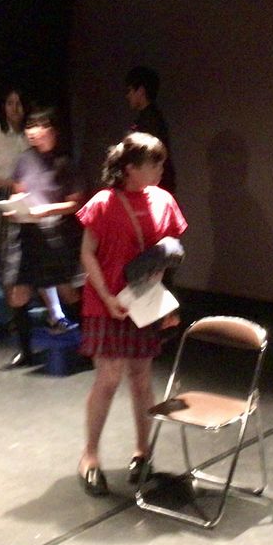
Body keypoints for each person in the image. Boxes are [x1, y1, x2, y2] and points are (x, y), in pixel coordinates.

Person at [75, 133, 187, 496]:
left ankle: (143, 452)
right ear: (129, 168)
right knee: (108, 377)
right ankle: (90, 456)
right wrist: (107, 296)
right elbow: (87, 252)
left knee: (140, 375)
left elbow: (168, 251)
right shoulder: (103, 203)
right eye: (154, 163)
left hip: (142, 301)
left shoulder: (163, 200)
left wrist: (161, 295)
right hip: (106, 301)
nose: (160, 169)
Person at [0, 89, 73, 337]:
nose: (15, 109)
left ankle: (60, 319)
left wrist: (43, 208)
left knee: (61, 285)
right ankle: (23, 332)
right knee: (14, 281)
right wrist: (12, 199)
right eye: (10, 103)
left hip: (48, 224)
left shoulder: (58, 157)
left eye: (19, 103)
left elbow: (74, 201)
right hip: (16, 214)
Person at [1, 106, 85, 367]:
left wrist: (46, 210)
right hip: (26, 233)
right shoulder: (24, 159)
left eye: (37, 126)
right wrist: (14, 206)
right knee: (18, 293)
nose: (32, 132)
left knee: (68, 292)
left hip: (54, 235)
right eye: (29, 127)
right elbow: (18, 191)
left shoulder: (65, 162)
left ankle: (90, 346)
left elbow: (75, 203)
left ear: (52, 130)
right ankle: (26, 351)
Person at [125, 66, 176, 194]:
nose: (128, 95)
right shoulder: (152, 118)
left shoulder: (149, 121)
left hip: (153, 188)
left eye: (130, 90)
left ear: (141, 91)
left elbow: (146, 157)